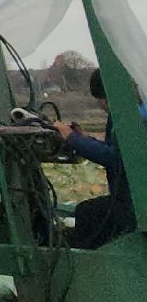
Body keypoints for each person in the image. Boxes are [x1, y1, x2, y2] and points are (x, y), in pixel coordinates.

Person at [54, 69, 143, 248]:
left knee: (87, 212)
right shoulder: (133, 111)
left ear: (105, 98)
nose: (102, 106)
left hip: (136, 205)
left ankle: (85, 268)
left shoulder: (136, 118)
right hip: (134, 198)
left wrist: (73, 139)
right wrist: (83, 138)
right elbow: (115, 149)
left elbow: (115, 158)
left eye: (100, 100)